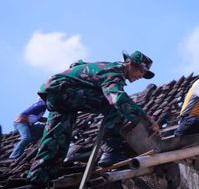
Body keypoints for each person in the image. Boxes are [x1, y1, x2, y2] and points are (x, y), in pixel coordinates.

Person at [27, 50, 158, 185]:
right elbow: (117, 98)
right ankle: (110, 151)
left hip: (56, 95)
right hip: (64, 91)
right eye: (140, 71)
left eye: (143, 74)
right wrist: (146, 120)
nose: (141, 76)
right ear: (130, 64)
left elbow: (76, 64)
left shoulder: (102, 67)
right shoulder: (114, 71)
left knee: (57, 139)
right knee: (116, 105)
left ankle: (38, 178)